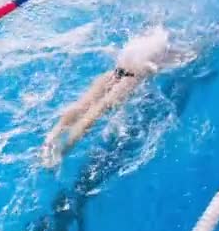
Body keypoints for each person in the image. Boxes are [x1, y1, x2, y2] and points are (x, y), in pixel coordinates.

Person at [40, 25, 193, 168]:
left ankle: (51, 137)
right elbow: (186, 57)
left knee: (82, 104)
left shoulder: (151, 32)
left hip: (116, 70)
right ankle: (64, 149)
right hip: (132, 78)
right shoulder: (170, 49)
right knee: (97, 111)